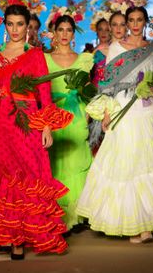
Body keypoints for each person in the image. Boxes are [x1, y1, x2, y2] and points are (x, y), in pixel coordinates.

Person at [0, 4, 71, 259]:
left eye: (20, 24)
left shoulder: (36, 55)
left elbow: (44, 93)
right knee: (2, 177)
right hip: (1, 123)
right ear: (5, 26)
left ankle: (21, 240)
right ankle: (8, 234)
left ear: (28, 27)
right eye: (11, 24)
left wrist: (47, 125)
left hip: (26, 121)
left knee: (28, 177)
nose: (15, 29)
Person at [76, 6, 153, 243]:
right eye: (130, 20)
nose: (133, 24)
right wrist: (105, 114)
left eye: (138, 20)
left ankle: (147, 224)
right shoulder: (116, 48)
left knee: (148, 164)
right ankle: (134, 224)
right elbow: (107, 86)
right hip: (123, 111)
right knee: (128, 164)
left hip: (147, 111)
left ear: (145, 22)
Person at [44, 15, 93, 232]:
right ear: (54, 33)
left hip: (78, 115)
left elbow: (89, 89)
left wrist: (89, 116)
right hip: (54, 116)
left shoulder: (84, 59)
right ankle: (58, 214)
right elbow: (41, 92)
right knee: (56, 161)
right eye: (60, 30)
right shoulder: (44, 59)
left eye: (68, 30)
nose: (64, 34)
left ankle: (77, 213)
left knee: (76, 160)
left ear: (73, 34)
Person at [92, 18, 111, 87]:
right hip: (96, 89)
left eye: (107, 30)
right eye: (100, 29)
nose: (104, 33)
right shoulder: (90, 52)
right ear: (97, 32)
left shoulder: (117, 49)